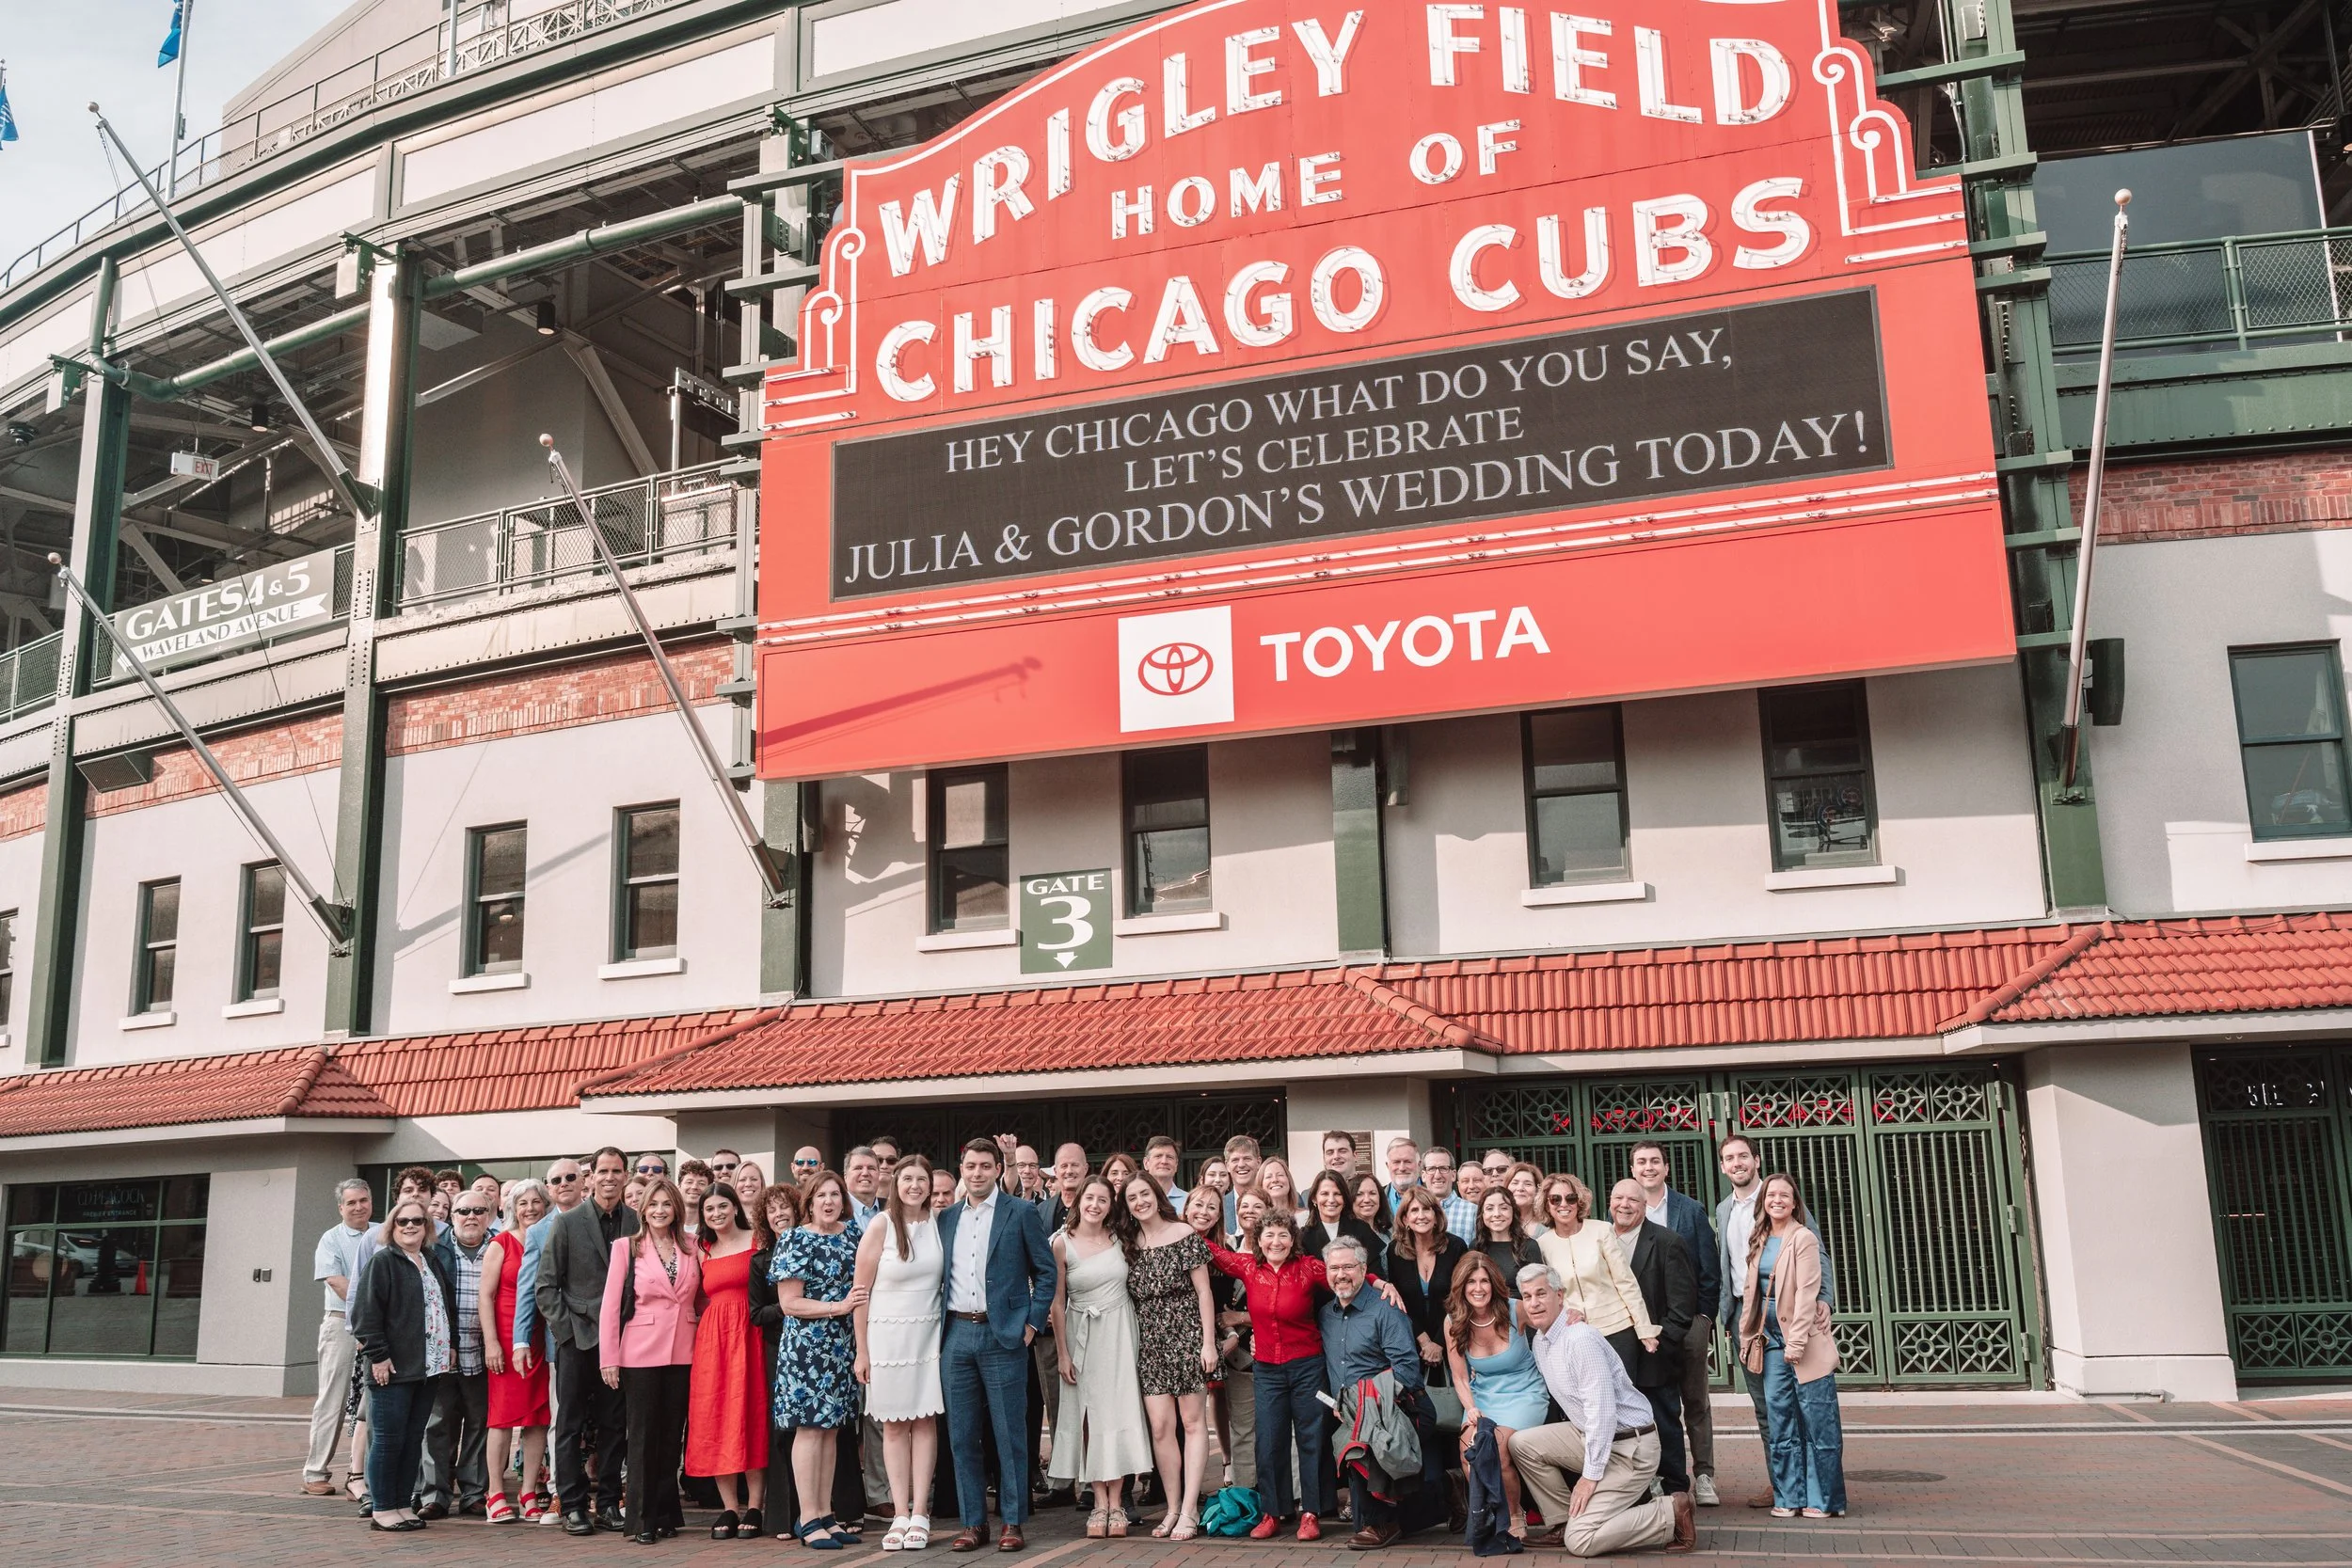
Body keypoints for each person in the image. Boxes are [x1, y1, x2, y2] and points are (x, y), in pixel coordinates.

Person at [1509, 1265, 1695, 1557]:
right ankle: (1562, 1521)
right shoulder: (1543, 1342)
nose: (1533, 1303)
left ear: (1560, 1296)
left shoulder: (1579, 1339)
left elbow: (1602, 1412)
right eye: (1527, 1296)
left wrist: (1589, 1477)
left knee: (1581, 1541)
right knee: (1521, 1444)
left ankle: (1669, 1512)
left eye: (1541, 1294)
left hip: (1631, 1448)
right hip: (1591, 1437)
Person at [935, 1137, 1056, 1553]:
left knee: (1010, 1434)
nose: (978, 1173)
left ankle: (1011, 1521)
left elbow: (1046, 1272)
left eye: (986, 1166)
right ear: (961, 1168)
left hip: (1004, 1334)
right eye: (971, 1166)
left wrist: (1031, 1325)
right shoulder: (946, 1218)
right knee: (963, 1436)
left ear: (994, 1168)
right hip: (955, 1336)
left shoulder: (1020, 1212)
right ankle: (973, 1522)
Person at [1713, 1135, 1835, 1511]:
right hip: (1745, 1319)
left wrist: (1824, 1299)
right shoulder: (1722, 1210)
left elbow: (1817, 1249)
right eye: (1729, 1158)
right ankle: (1780, 1482)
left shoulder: (1779, 1198)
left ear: (1756, 1160)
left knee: (1803, 1403)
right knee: (1766, 1405)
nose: (1737, 1163)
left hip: (1789, 1315)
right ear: (1722, 1166)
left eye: (1743, 1157)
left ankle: (1810, 1486)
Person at [1203, 1211, 1330, 1540]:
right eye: (1269, 1235)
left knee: (1310, 1438)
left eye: (1283, 1235)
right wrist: (1181, 1227)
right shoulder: (1248, 1268)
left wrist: (1381, 1283)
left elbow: (1346, 1275)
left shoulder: (1307, 1268)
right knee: (1269, 1440)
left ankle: (1311, 1513)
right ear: (1258, 1240)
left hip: (1307, 1366)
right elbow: (1213, 1252)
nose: (1276, 1242)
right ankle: (1273, 1511)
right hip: (1268, 1369)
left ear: (1293, 1240)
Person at [537, 1146, 640, 1536]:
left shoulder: (638, 1221)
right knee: (570, 1425)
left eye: (617, 1171)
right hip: (577, 1339)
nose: (610, 1177)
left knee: (616, 1424)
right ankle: (573, 1506)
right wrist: (566, 1333)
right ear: (591, 1176)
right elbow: (546, 1286)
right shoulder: (566, 1223)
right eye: (604, 1171)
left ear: (626, 1176)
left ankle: (610, 1503)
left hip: (623, 1339)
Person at [1047, 1175, 1154, 1537]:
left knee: (1119, 1413)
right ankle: (1097, 1503)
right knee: (1090, 1419)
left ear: (1112, 1205)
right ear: (1079, 1201)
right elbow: (1057, 1303)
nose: (1095, 1205)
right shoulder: (1062, 1244)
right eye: (1089, 1198)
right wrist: (1063, 1353)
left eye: (1103, 1200)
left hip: (1121, 1332)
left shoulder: (1121, 1239)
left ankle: (1118, 1502)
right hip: (1082, 1334)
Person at [1318, 1236, 1439, 1549]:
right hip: (1356, 1412)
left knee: (1359, 1440)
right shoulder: (1326, 1314)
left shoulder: (1386, 1310)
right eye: (1334, 1267)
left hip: (1402, 1407)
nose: (1341, 1274)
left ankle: (1382, 1524)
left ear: (1363, 1269)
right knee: (1354, 1435)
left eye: (1348, 1266)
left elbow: (1408, 1372)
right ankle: (1445, 1494)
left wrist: (1367, 1405)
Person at [1112, 1172, 1215, 1539]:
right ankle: (1171, 1508)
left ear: (1156, 1194)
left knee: (1192, 1423)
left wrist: (1208, 1343)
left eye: (1145, 1193)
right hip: (1149, 1343)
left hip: (1186, 1338)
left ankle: (1190, 1509)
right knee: (1160, 1427)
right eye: (1131, 1198)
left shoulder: (1184, 1233)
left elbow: (1204, 1292)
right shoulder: (1127, 1242)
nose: (1140, 1201)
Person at [1737, 1175, 1845, 1520]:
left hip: (1803, 1343)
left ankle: (1823, 1499)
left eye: (1785, 1195)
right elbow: (1751, 1293)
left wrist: (1796, 1343)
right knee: (1780, 1421)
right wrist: (1745, 1335)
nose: (1777, 1200)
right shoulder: (1760, 1237)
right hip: (1768, 1345)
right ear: (1763, 1201)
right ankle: (1788, 1496)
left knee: (1817, 1421)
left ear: (1795, 1203)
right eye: (1771, 1195)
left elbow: (1807, 1294)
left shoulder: (1804, 1238)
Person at [854, 1157, 946, 1550]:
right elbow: (861, 1292)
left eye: (921, 1179)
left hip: (928, 1337)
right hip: (886, 1338)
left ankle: (921, 1510)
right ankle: (899, 1513)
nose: (914, 1185)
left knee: (924, 1423)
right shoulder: (881, 1225)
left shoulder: (941, 1223)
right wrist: (862, 1351)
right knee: (892, 1426)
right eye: (907, 1178)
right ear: (895, 1184)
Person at [352, 1196, 457, 1533]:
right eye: (403, 1221)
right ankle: (382, 1506)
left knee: (412, 1439)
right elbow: (365, 1316)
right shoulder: (383, 1263)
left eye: (417, 1221)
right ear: (392, 1228)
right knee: (387, 1440)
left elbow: (443, 1307)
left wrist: (450, 1346)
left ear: (427, 1227)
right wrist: (379, 1356)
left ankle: (401, 1503)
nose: (411, 1226)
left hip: (426, 1368)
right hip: (392, 1369)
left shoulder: (430, 1260)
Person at [773, 1169, 867, 1547]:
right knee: (810, 1430)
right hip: (807, 1348)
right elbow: (789, 1302)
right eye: (820, 1196)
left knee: (832, 1431)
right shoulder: (795, 1240)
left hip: (843, 1344)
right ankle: (807, 1518)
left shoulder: (853, 1236)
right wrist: (839, 1306)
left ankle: (827, 1513)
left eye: (834, 1194)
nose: (828, 1202)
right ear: (808, 1203)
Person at [1628, 1142, 1721, 1505]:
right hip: (1648, 1332)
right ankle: (1655, 1475)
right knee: (1653, 1405)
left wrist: (1704, 1319)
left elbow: (1709, 1269)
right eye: (1641, 1162)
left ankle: (1705, 1475)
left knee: (1695, 1401)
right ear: (1633, 1170)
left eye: (1654, 1162)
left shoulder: (1690, 1210)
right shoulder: (1622, 1210)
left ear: (1666, 1168)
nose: (1648, 1167)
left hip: (1690, 1324)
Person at [1445, 1250, 1547, 1541]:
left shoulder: (1516, 1310)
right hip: (1483, 1396)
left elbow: (1551, 1316)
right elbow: (1460, 1377)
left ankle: (1514, 1512)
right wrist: (1471, 1408)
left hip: (1524, 1393)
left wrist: (1574, 1314)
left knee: (1498, 1449)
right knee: (1468, 1450)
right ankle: (1490, 1510)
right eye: (1471, 1282)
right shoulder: (1454, 1321)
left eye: (1484, 1281)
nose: (1478, 1288)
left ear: (1494, 1284)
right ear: (1461, 1287)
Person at [1608, 1179, 1697, 1497]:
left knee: (1662, 1421)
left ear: (1645, 1206)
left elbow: (1682, 1305)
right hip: (1612, 1353)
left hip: (1653, 1353)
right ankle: (1637, 1490)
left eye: (1633, 1199)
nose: (1624, 1205)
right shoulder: (1598, 1239)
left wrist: (1662, 1343)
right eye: (1618, 1198)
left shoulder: (1667, 1242)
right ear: (1609, 1202)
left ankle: (1676, 1488)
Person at [690, 1182, 770, 1539]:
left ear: (735, 1207)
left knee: (751, 1412)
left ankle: (755, 1504)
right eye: (709, 1209)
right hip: (713, 1340)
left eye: (723, 1206)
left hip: (751, 1333)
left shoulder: (758, 1239)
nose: (716, 1213)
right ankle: (729, 1508)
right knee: (716, 1417)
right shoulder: (702, 1249)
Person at [419, 1186, 496, 1519]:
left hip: (484, 1353)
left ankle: (474, 1493)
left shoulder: (500, 1247)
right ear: (452, 1216)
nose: (471, 1217)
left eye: (479, 1211)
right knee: (437, 1425)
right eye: (464, 1212)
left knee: (480, 1424)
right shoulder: (435, 1250)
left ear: (490, 1215)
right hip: (443, 1354)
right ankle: (435, 1495)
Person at [479, 1178, 551, 1524]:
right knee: (503, 1417)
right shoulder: (501, 1243)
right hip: (506, 1339)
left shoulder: (552, 1238)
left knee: (538, 1417)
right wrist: (491, 1342)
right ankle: (494, 1491)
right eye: (523, 1203)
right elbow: (485, 1296)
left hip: (541, 1337)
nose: (530, 1209)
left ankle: (528, 1491)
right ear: (512, 1209)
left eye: (536, 1202)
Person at [1534, 1175, 1659, 1361]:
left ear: (1579, 1202)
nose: (1563, 1204)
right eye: (1555, 1199)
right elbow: (1551, 1295)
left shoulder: (1601, 1230)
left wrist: (1644, 1329)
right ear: (1546, 1204)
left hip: (1617, 1329)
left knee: (1624, 1390)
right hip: (1576, 1333)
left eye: (1570, 1198)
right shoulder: (1542, 1244)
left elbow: (1626, 1282)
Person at [303, 1179, 373, 1497]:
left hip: (379, 1327)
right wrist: (371, 1311)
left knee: (374, 1402)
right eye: (351, 1202)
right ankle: (315, 1472)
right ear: (341, 1208)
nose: (358, 1206)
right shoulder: (330, 1239)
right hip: (342, 1323)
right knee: (333, 1398)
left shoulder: (383, 1232)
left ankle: (362, 1474)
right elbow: (337, 1281)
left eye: (363, 1200)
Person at [1184, 1185, 1253, 1492]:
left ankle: (1225, 1465)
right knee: (1175, 1421)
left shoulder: (1223, 1249)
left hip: (1214, 1345)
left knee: (1203, 1415)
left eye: (1212, 1207)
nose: (1204, 1211)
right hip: (1177, 1343)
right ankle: (1175, 1487)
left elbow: (1226, 1304)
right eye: (1199, 1204)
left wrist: (1230, 1336)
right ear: (1186, 1207)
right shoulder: (1170, 1241)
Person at [750, 1182, 807, 1538]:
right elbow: (757, 1313)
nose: (779, 1214)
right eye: (771, 1210)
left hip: (814, 1349)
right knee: (783, 1431)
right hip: (777, 1350)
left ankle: (818, 1511)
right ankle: (783, 1517)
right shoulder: (760, 1261)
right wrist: (791, 1308)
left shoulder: (811, 1248)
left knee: (816, 1431)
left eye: (785, 1207)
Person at [1386, 1186, 1466, 1387]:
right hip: (1411, 1342)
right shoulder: (1395, 1251)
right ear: (1405, 1219)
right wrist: (1424, 1341)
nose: (1421, 1216)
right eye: (1414, 1210)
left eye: (1427, 1209)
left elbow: (1461, 1298)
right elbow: (1397, 1302)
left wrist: (1439, 1342)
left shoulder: (1456, 1247)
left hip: (1453, 1338)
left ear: (1436, 1216)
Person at [1300, 1169, 1381, 1261]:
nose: (1331, 1200)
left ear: (1345, 1198)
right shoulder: (1304, 1237)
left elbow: (1375, 1272)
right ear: (1314, 1199)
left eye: (1337, 1194)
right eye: (1325, 1194)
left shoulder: (1362, 1229)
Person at [1474, 1188, 1543, 1294]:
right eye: (1489, 1208)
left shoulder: (1529, 1246)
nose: (1497, 1214)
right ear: (1482, 1214)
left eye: (1504, 1208)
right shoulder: (1475, 1246)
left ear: (1513, 1212)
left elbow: (1538, 1290)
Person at [1221, 1135, 1263, 1232]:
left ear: (1258, 1162)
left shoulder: (1274, 1200)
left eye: (1247, 1158)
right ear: (1227, 1165)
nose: (1241, 1165)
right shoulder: (1220, 1206)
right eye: (1235, 1160)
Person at [846, 1147, 885, 1233]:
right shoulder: (834, 1210)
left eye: (871, 1168)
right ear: (845, 1176)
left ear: (878, 1175)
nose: (865, 1173)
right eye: (858, 1168)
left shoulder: (892, 1208)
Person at [1350, 1173, 1393, 1250]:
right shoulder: (1346, 1236)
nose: (1367, 1200)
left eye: (1372, 1193)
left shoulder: (1387, 1235)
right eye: (1359, 1194)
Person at [1142, 1135, 1188, 1205]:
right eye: (1158, 1156)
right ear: (1146, 1163)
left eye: (1169, 1157)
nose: (1164, 1161)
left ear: (1176, 1164)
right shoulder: (1136, 1200)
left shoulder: (1190, 1201)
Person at [1253, 1155, 1300, 1223]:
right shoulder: (1256, 1221)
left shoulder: (1308, 1218)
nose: (1275, 1180)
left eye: (1280, 1175)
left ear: (1289, 1181)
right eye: (1268, 1177)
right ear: (1261, 1185)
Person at [1504, 1162, 1546, 1238]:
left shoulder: (1546, 1229)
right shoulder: (1498, 1223)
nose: (1520, 1188)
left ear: (1537, 1190)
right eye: (1515, 1183)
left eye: (1528, 1184)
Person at [1381, 1139, 1422, 1215]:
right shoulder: (1377, 1199)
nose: (1402, 1168)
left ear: (1419, 1164)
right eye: (1396, 1162)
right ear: (1387, 1166)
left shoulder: (1435, 1195)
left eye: (1408, 1161)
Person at [678, 1160, 713, 1239]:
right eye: (689, 1182)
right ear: (679, 1187)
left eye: (701, 1183)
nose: (694, 1187)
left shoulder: (713, 1227)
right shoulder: (668, 1224)